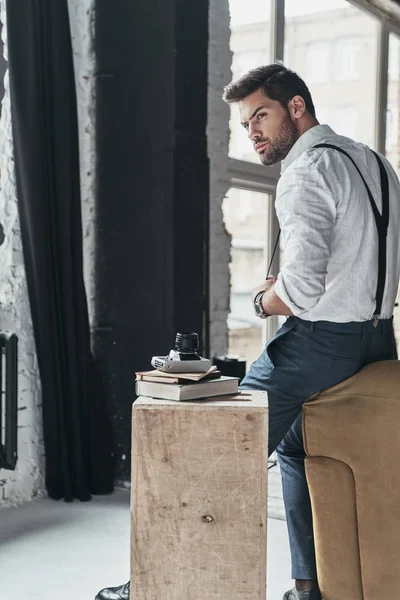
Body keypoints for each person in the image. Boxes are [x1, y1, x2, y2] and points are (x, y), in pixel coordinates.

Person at [94, 64, 400, 600]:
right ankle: (309, 587)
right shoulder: (377, 165)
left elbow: (301, 291)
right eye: (244, 123)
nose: (252, 131)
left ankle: (156, 584)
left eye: (261, 115)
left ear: (297, 107)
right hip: (378, 341)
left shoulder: (307, 172)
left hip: (321, 345)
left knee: (220, 446)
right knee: (296, 448)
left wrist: (263, 297)